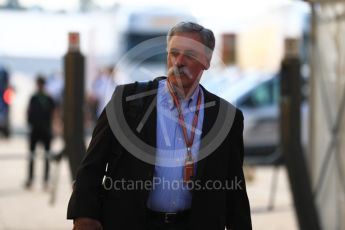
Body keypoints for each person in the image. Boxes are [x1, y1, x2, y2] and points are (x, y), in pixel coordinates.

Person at [67, 22, 252, 230]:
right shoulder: (127, 101)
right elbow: (92, 165)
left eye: (190, 54)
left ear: (206, 60)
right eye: (174, 52)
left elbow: (235, 190)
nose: (179, 61)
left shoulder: (227, 117)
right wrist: (83, 215)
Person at [26, 75, 55, 189]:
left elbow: (54, 113)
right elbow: (29, 111)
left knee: (47, 156)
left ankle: (46, 180)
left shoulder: (48, 98)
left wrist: (54, 128)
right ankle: (30, 178)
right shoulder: (33, 97)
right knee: (32, 156)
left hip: (45, 130)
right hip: (35, 129)